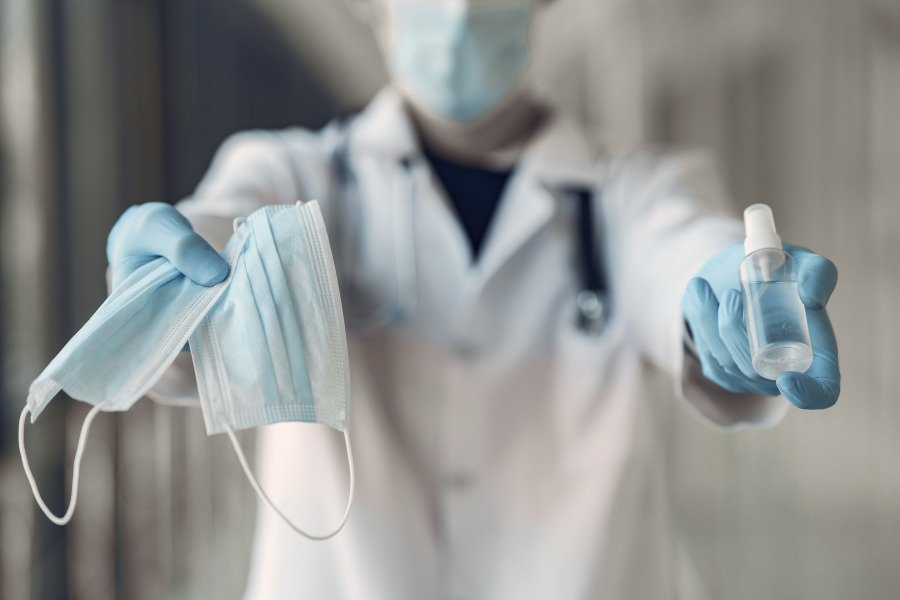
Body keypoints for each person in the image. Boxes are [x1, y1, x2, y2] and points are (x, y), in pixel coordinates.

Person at [106, 0, 840, 597]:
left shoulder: (630, 194)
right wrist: (163, 292)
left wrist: (718, 296)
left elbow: (677, 246)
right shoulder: (291, 173)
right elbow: (220, 234)